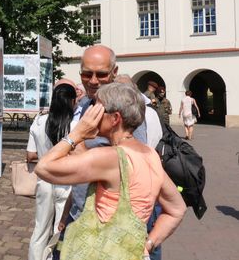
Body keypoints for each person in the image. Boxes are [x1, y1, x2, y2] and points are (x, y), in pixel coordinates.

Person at [36, 83, 186, 258]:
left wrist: (77, 133)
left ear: (114, 118)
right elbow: (177, 208)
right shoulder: (150, 154)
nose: (91, 113)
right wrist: (149, 244)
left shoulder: (110, 157)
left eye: (96, 108)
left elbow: (44, 167)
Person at [26, 83, 76, 260]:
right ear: (72, 101)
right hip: (67, 180)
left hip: (45, 180)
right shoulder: (76, 123)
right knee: (60, 229)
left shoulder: (39, 121)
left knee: (40, 229)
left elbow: (30, 154)